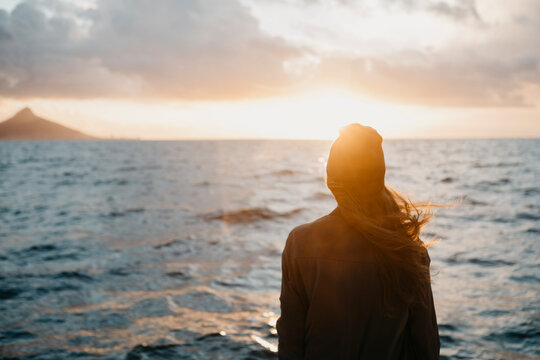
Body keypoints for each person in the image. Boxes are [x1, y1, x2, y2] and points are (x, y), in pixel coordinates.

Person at [277, 124, 440, 359]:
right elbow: (426, 349)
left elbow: (290, 345)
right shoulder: (408, 251)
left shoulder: (300, 243)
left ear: (331, 180)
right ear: (378, 178)